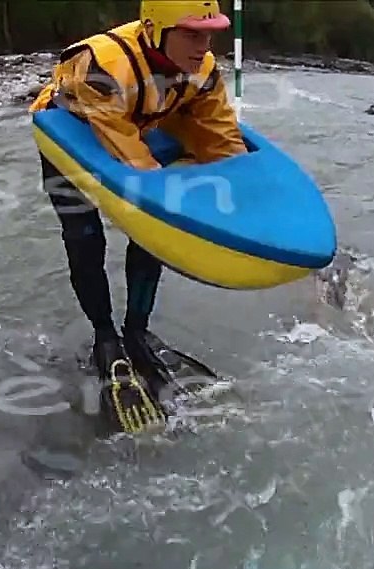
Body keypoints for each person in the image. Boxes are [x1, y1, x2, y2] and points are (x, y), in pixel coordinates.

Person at [29, 0, 246, 431]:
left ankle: (137, 331)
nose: (204, 46)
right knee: (85, 235)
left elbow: (224, 145)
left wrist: (249, 212)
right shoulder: (102, 66)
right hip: (70, 132)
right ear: (156, 28)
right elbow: (135, 169)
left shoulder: (202, 70)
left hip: (138, 123)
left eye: (210, 34)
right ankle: (105, 337)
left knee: (151, 235)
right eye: (192, 34)